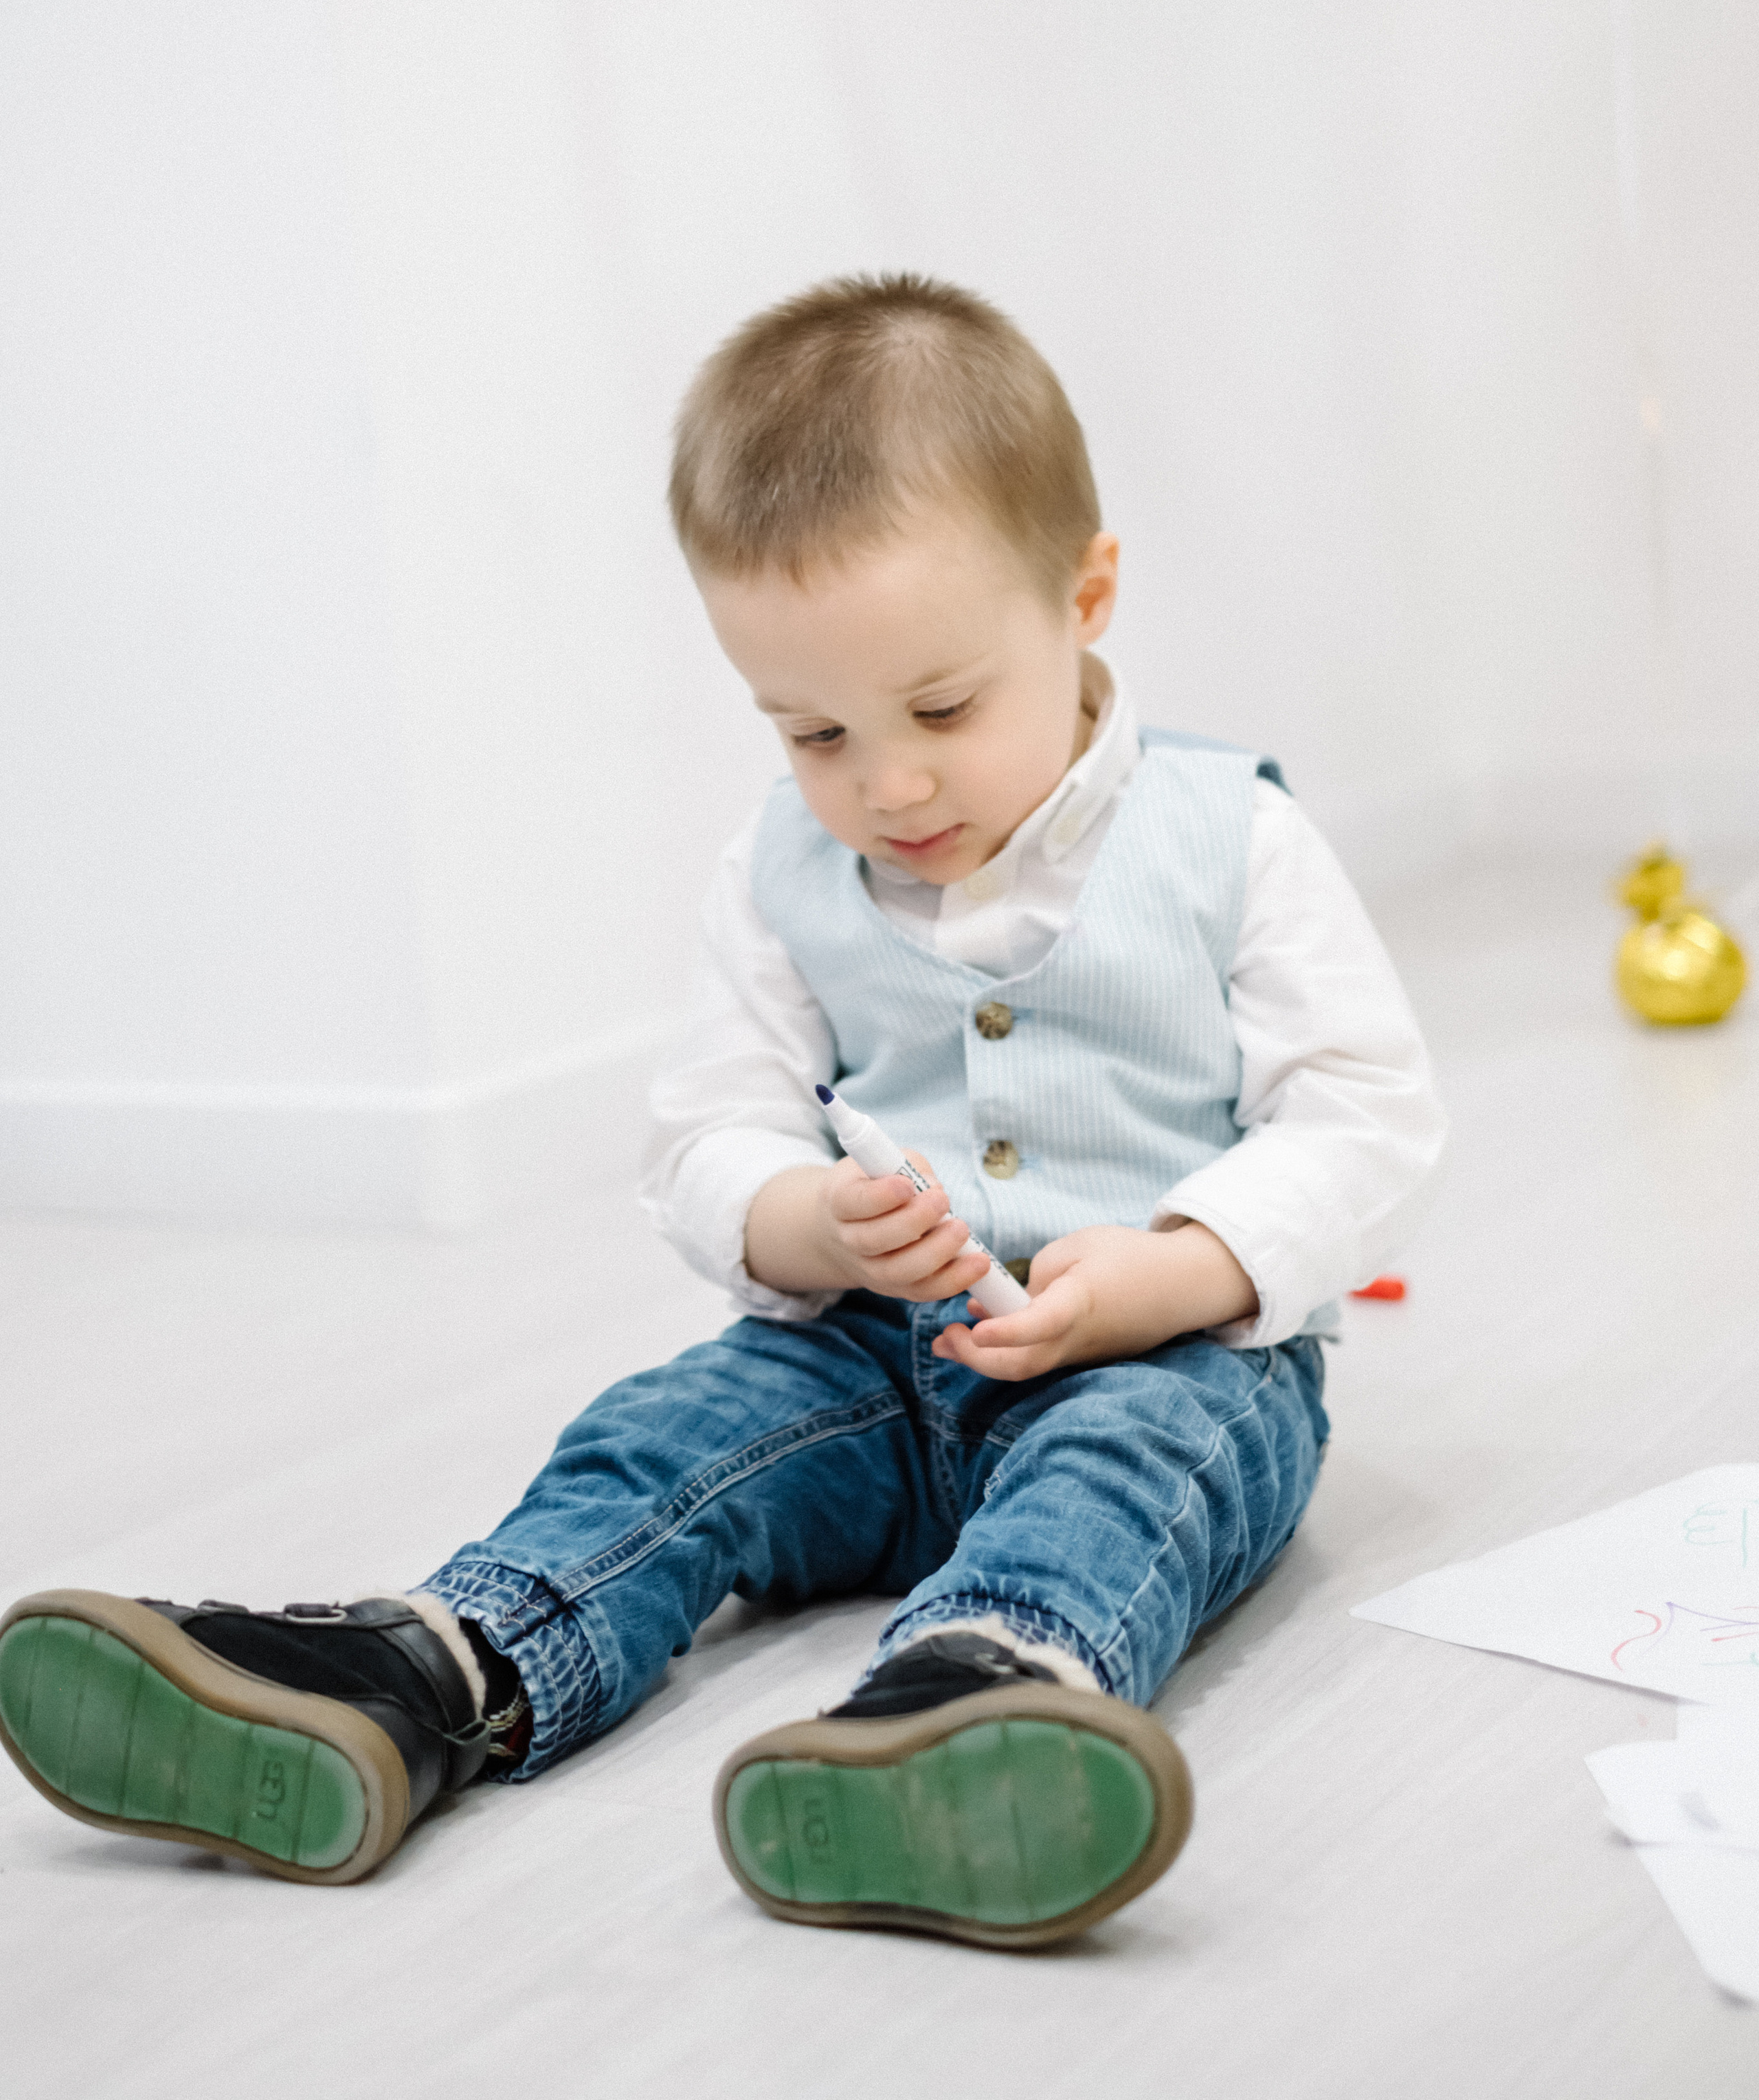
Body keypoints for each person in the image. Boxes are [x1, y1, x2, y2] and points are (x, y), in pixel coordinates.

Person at [0, 273, 1445, 1949]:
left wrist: (1180, 1269)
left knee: (1133, 1461)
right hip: (866, 1360)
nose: (883, 784)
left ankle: (973, 1696)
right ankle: (434, 1664)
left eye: (941, 709)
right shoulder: (778, 867)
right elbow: (704, 1134)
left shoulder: (1227, 840)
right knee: (665, 1435)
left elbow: (1364, 1120)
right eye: (811, 728)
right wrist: (798, 1219)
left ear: (1086, 595)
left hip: (1163, 1351)